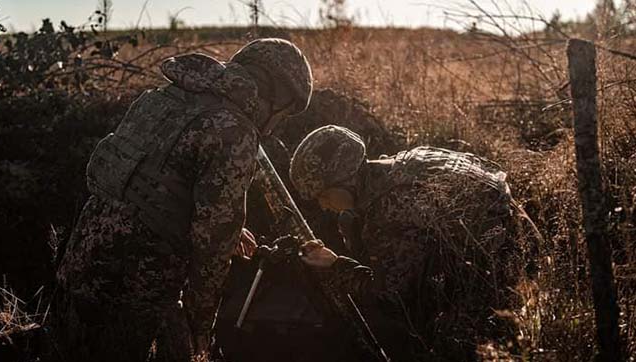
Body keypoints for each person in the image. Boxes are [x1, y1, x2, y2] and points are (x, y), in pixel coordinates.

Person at [53, 38, 313, 362]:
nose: (278, 124)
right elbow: (211, 250)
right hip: (136, 289)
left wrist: (226, 229)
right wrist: (200, 326)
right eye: (284, 112)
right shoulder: (234, 130)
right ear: (273, 93)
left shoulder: (161, 99)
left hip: (79, 263)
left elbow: (150, 186)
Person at [290, 125, 541, 361]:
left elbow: (392, 299)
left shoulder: (389, 210)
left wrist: (336, 266)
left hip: (500, 286)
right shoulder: (403, 164)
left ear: (346, 180)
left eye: (323, 194)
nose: (323, 205)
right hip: (521, 254)